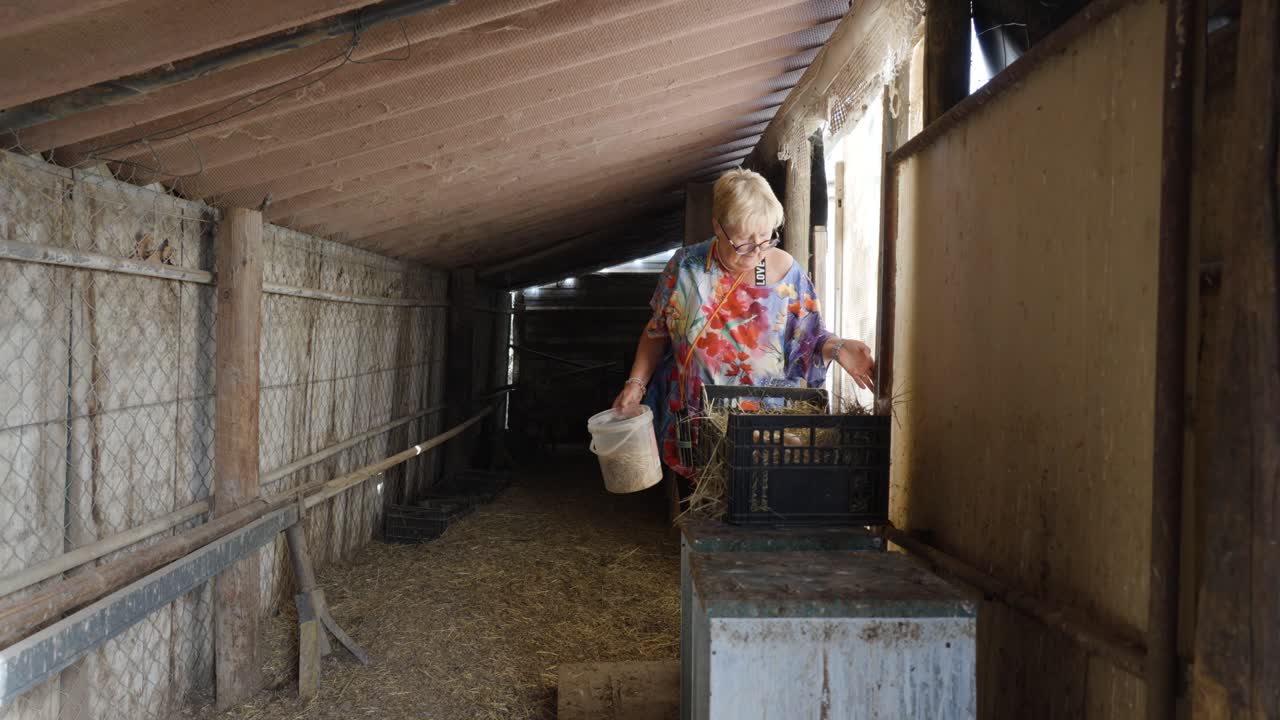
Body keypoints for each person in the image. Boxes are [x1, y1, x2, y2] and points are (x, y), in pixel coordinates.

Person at [612, 168, 876, 478]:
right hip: (697, 427)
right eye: (743, 243)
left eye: (765, 239)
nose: (756, 252)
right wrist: (635, 384)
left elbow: (808, 339)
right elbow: (657, 331)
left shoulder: (785, 272)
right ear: (718, 227)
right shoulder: (685, 268)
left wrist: (838, 347)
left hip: (767, 431)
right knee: (701, 512)